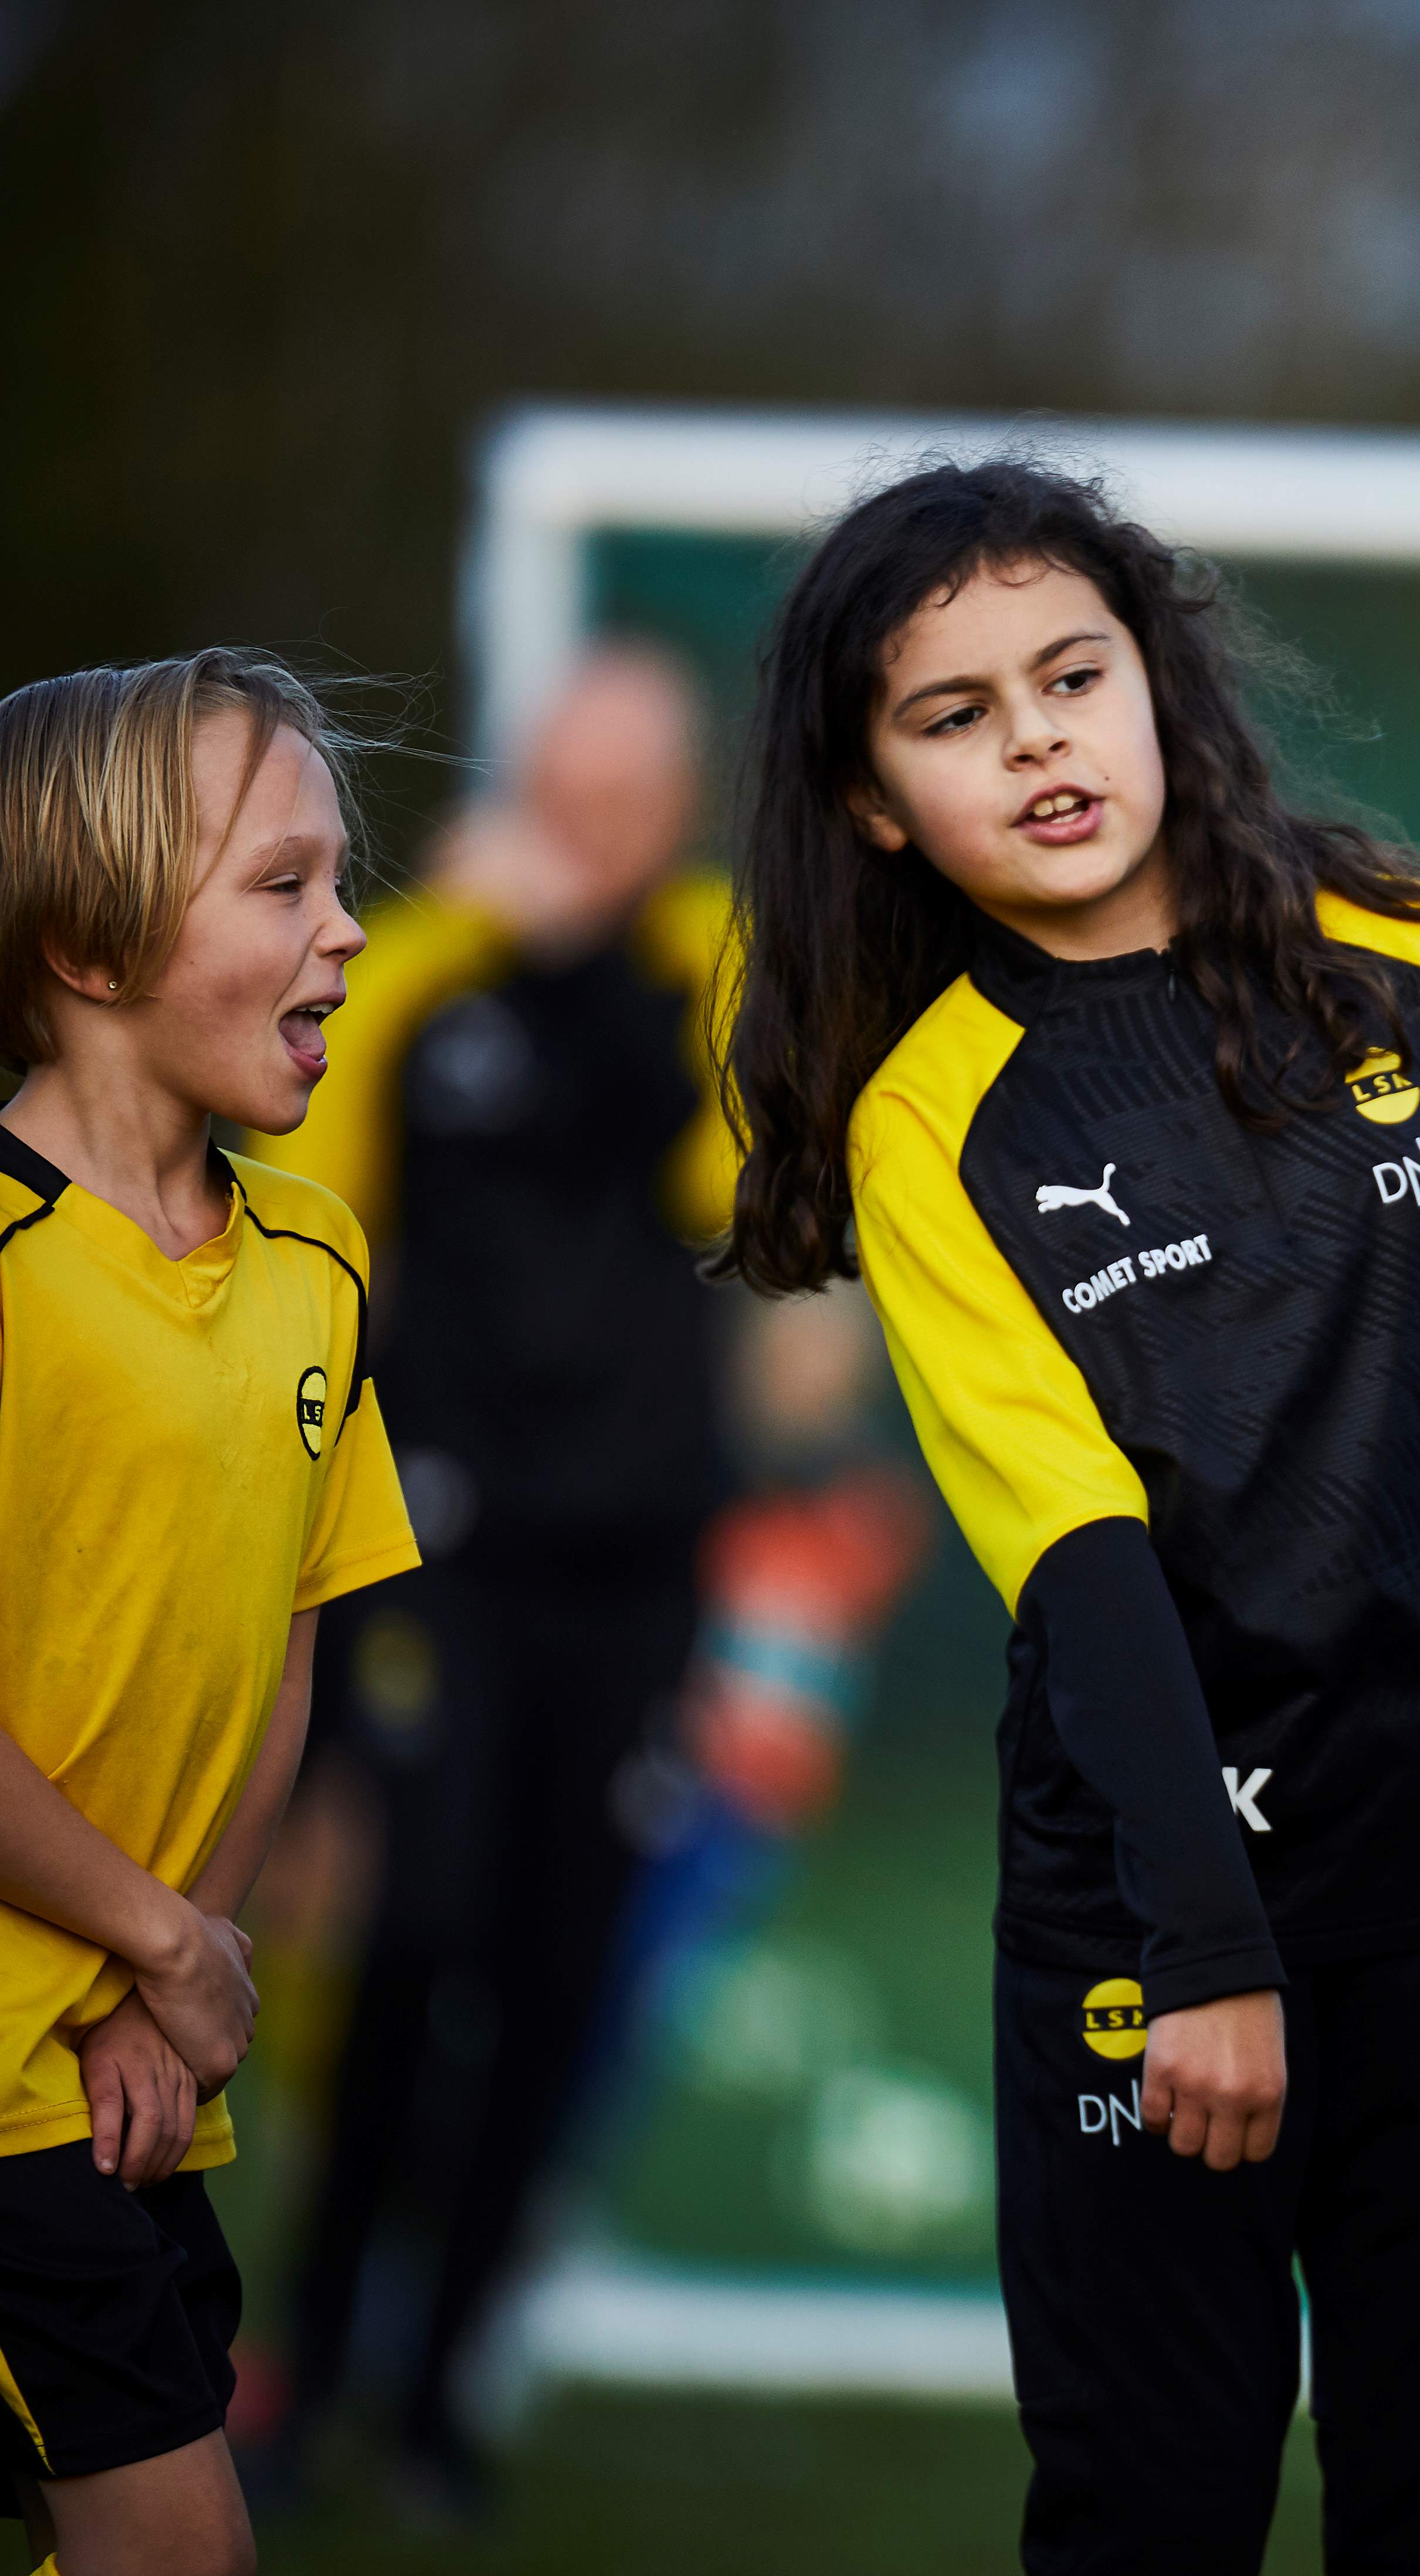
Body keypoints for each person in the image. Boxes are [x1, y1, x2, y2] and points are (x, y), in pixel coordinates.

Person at [714, 458, 1420, 2575]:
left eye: (1071, 675)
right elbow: (1079, 1565)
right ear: (872, 805)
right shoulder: (936, 1120)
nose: (1036, 741)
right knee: (1148, 2516)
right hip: (1162, 1932)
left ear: (1160, 685)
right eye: (955, 713)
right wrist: (1205, 1941)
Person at [251, 638, 737, 2501]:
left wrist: (564, 951)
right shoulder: (407, 963)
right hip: (433, 1552)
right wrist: (485, 936)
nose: (594, 823)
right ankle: (303, 2369)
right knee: (412, 1939)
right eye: (569, 784)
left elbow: (715, 1185)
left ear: (674, 802)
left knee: (557, 1969)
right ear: (526, 779)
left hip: (636, 1566)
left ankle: (443, 2393)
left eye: (631, 790)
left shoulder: (708, 968)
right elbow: (316, 1207)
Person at [0, 650, 419, 2575]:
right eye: (283, 886)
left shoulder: (318, 1259)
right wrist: (163, 1943)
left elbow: (284, 1645)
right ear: (89, 942)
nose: (349, 932)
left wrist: (180, 1983)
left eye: (342, 880)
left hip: (133, 2080)